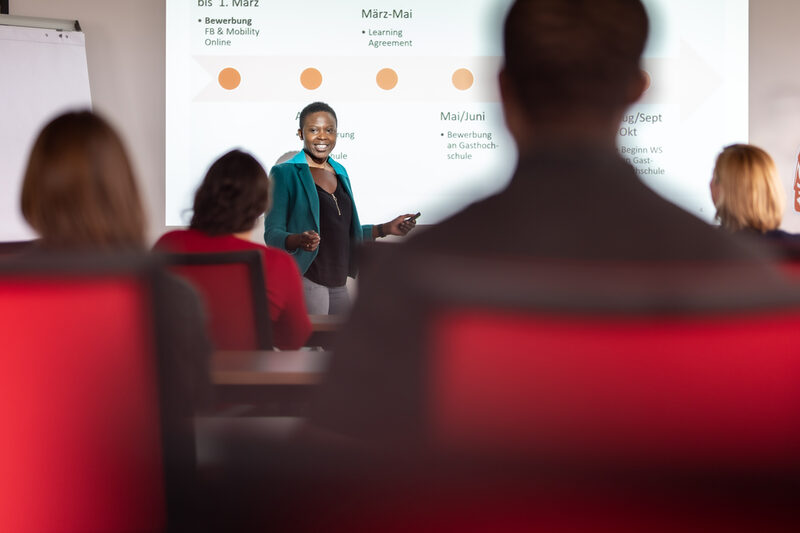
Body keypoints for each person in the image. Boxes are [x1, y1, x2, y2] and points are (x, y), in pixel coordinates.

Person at [305, 0, 791, 446]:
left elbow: (339, 484)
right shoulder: (749, 283)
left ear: (502, 88)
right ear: (638, 91)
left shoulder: (409, 282)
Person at [20, 110, 212, 410]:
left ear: (33, 187)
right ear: (124, 188)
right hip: (139, 458)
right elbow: (193, 404)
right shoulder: (172, 296)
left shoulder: (9, 291)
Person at [263, 101, 418, 315]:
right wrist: (298, 239)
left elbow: (345, 231)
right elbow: (272, 233)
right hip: (308, 277)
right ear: (300, 133)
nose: (322, 136)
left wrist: (385, 229)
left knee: (339, 345)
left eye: (329, 130)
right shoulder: (284, 173)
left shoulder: (340, 171)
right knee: (315, 347)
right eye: (313, 130)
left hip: (339, 280)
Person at [154, 149, 312, 350]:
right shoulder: (277, 263)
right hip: (248, 380)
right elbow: (293, 340)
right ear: (262, 205)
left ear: (203, 194)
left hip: (178, 379)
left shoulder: (168, 245)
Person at [711, 144, 798, 243]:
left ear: (727, 190)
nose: (710, 184)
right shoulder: (794, 247)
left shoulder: (704, 249)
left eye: (714, 178)